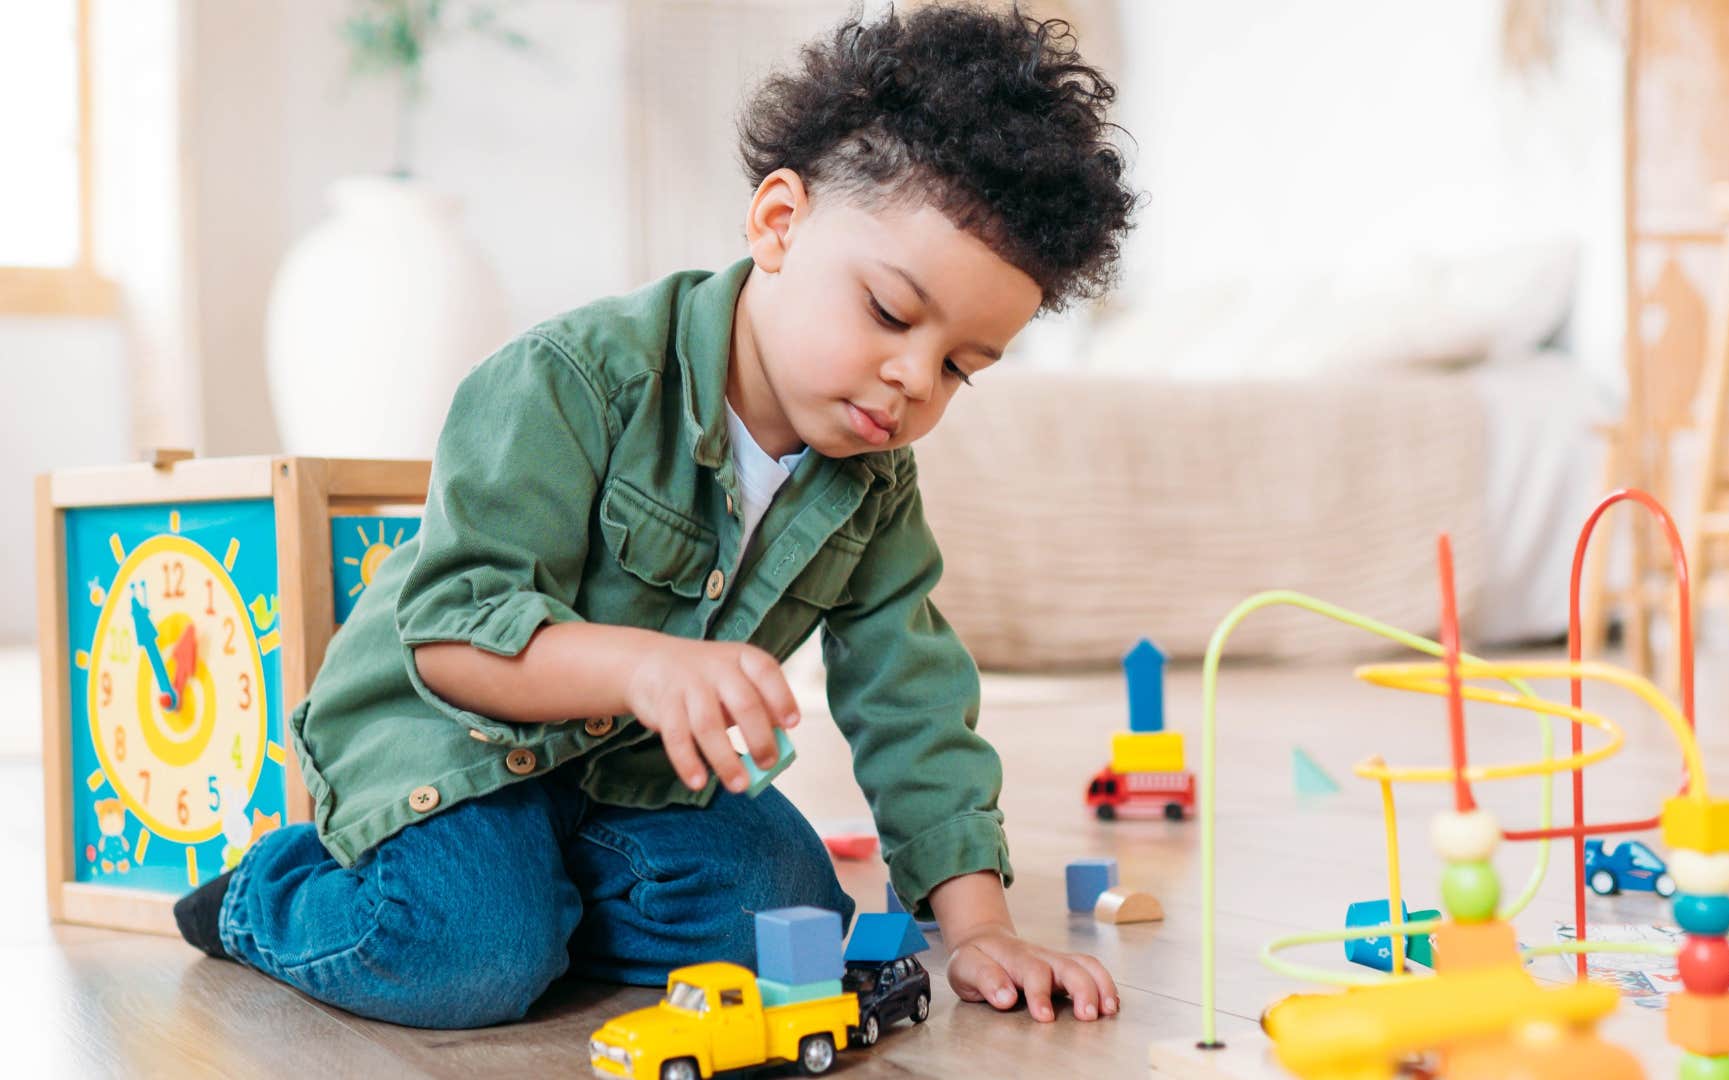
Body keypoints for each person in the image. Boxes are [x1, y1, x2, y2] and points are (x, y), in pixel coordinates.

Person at [174, 2, 1137, 1030]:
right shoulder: (572, 380)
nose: (911, 378)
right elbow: (452, 639)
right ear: (780, 223)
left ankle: (535, 901)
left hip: (622, 781)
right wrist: (643, 666)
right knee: (468, 962)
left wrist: (980, 926)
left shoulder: (874, 487)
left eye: (958, 367)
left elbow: (913, 704)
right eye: (891, 314)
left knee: (784, 912)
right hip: (446, 750)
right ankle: (267, 894)